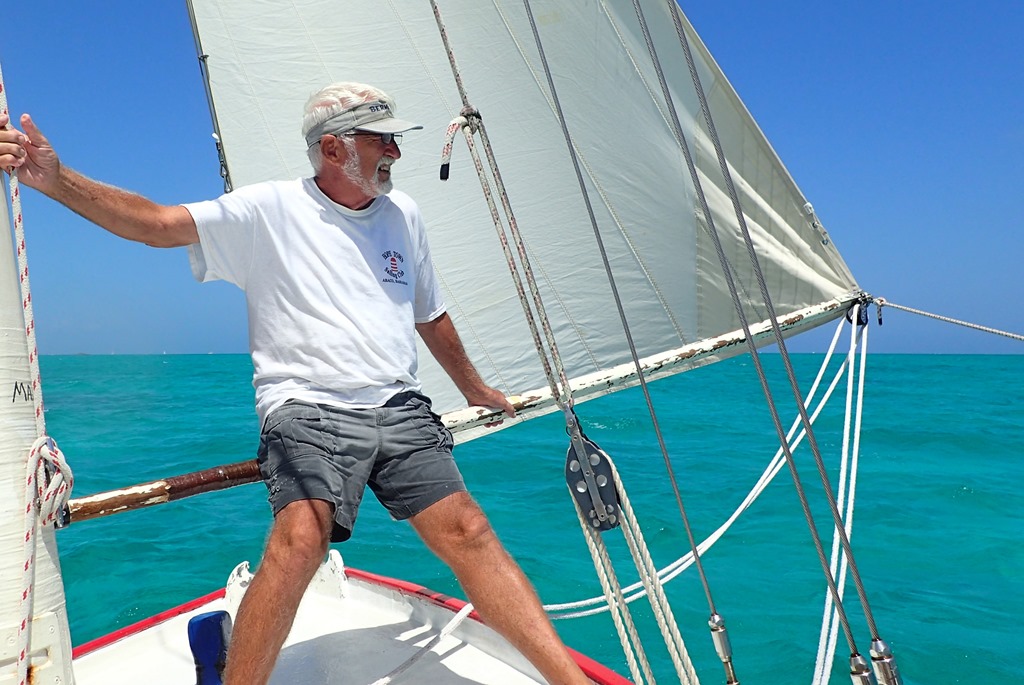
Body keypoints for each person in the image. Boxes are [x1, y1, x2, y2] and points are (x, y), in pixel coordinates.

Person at [0, 83, 591, 685]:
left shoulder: (403, 215)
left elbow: (429, 314)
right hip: (306, 407)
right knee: (301, 538)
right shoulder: (268, 209)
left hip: (399, 405)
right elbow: (156, 224)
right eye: (382, 139)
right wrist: (55, 179)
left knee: (469, 529)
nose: (396, 151)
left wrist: (474, 388)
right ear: (333, 149)